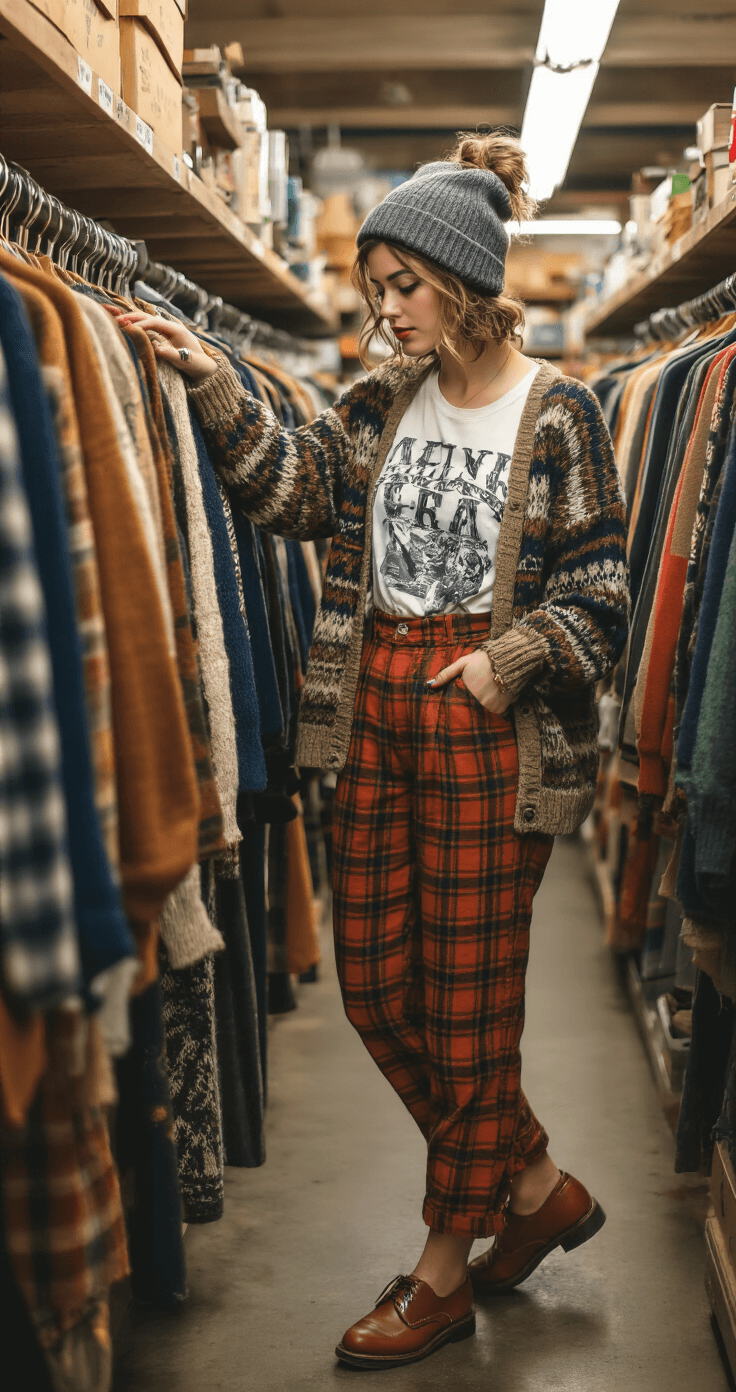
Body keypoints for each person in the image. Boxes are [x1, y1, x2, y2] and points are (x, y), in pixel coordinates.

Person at [108, 132, 630, 1371]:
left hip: (482, 718)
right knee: (374, 986)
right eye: (371, 289)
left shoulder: (558, 416)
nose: (381, 312)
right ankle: (534, 1181)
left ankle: (444, 1268)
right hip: (374, 705)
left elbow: (603, 594)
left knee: (466, 1010)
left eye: (400, 287)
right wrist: (216, 384)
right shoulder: (371, 402)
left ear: (464, 281)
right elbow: (294, 492)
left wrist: (503, 665)